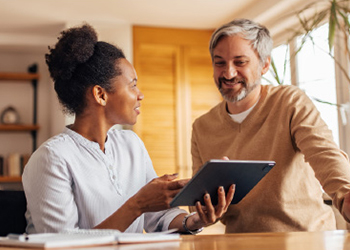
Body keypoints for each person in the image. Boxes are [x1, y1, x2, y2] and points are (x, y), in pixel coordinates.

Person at [22, 24, 235, 234]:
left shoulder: (130, 144)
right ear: (100, 95)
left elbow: (158, 218)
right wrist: (137, 205)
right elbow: (62, 244)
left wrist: (195, 220)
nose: (140, 94)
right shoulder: (51, 158)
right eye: (132, 84)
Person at [191, 18, 350, 233]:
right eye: (220, 62)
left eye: (240, 62)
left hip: (306, 240)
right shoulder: (202, 127)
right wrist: (205, 211)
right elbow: (198, 206)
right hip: (242, 244)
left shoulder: (289, 102)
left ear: (264, 64)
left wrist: (345, 193)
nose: (228, 73)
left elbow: (324, 153)